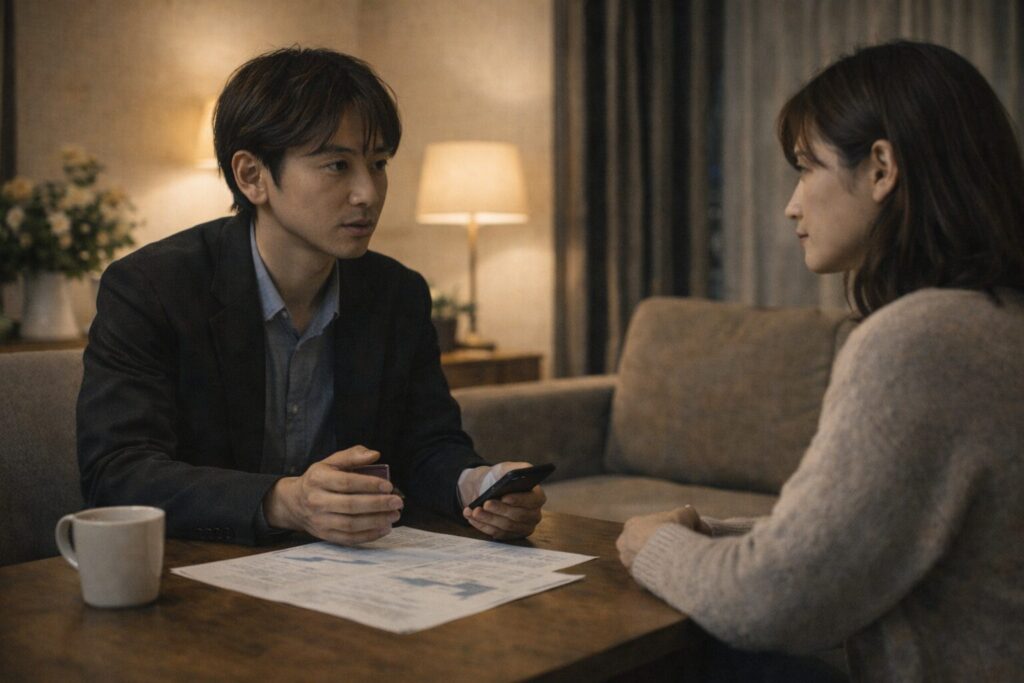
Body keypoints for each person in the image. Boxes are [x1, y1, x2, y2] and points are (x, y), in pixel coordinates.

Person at [616, 40, 1024, 682]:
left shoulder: (920, 341)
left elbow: (773, 603)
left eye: (807, 168)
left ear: (881, 168)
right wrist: (712, 534)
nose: (792, 204)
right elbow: (862, 537)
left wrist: (655, 547)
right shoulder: (996, 322)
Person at [77, 47, 545, 547]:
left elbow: (426, 445)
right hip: (201, 566)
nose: (368, 193)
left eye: (378, 163)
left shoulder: (396, 293)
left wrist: (477, 485)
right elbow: (118, 474)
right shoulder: (152, 287)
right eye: (337, 165)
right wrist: (284, 502)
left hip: (349, 571)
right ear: (252, 176)